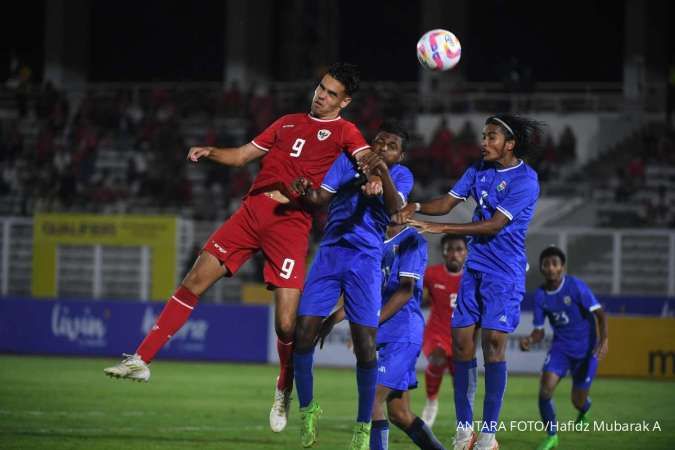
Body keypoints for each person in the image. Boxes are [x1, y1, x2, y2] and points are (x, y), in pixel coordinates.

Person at [103, 63, 374, 433]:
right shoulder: (286, 122)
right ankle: (141, 358)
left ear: (344, 101)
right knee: (194, 279)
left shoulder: (344, 130)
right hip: (253, 210)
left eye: (330, 93)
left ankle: (283, 387)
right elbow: (243, 155)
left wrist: (373, 175)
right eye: (320, 87)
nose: (320, 95)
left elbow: (366, 157)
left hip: (291, 223)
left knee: (284, 325)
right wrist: (210, 151)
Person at [397, 114, 544, 450]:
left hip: (504, 273)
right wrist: (415, 207)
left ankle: (488, 436)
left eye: (491, 137)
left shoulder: (526, 180)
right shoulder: (478, 169)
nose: (484, 142)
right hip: (474, 270)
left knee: (493, 347)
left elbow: (493, 225)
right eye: (483, 136)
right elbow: (448, 203)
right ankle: (465, 432)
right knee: (462, 347)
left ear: (510, 144)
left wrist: (442, 228)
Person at [290, 121, 413, 449]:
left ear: (400, 155)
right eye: (378, 142)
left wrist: (381, 174)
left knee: (364, 346)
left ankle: (362, 426)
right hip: (330, 255)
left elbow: (395, 208)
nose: (382, 147)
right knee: (302, 333)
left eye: (390, 146)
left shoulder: (401, 175)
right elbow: (320, 197)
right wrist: (306, 189)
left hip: (365, 263)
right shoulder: (346, 162)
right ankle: (308, 408)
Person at [317, 223, 446, 450]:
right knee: (400, 414)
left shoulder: (411, 240)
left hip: (402, 335)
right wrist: (331, 320)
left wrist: (370, 326)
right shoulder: (377, 245)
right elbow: (365, 297)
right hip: (388, 338)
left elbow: (406, 291)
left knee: (371, 399)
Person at [519, 246, 608, 450]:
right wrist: (529, 341)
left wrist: (604, 340)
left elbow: (600, 314)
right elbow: (539, 331)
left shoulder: (575, 286)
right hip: (560, 349)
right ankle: (552, 435)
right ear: (541, 268)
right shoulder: (540, 295)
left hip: (586, 351)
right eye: (546, 264)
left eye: (554, 263)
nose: (550, 268)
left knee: (577, 400)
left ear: (562, 267)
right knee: (545, 389)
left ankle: (585, 408)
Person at [421, 234, 468, 428]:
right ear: (444, 252)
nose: (454, 254)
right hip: (436, 332)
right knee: (437, 357)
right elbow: (417, 296)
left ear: (466, 253)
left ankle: (463, 421)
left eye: (459, 249)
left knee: (460, 382)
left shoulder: (472, 278)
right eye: (450, 250)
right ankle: (431, 403)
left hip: (460, 337)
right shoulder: (432, 274)